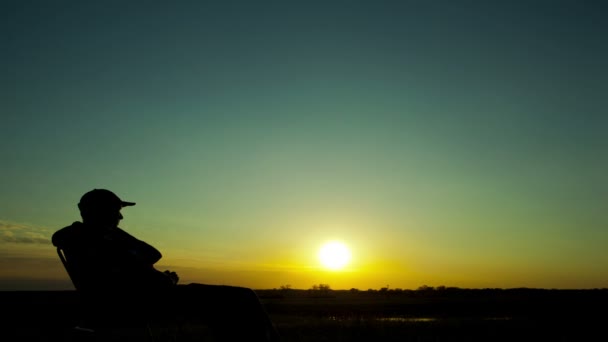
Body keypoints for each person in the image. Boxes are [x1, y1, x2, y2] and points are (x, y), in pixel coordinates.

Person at [52, 188, 280, 341]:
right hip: (140, 302)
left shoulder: (80, 237)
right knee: (241, 297)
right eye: (117, 212)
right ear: (104, 212)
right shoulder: (99, 240)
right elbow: (151, 256)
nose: (120, 218)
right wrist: (167, 280)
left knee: (225, 304)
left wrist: (106, 229)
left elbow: (143, 260)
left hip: (130, 300)